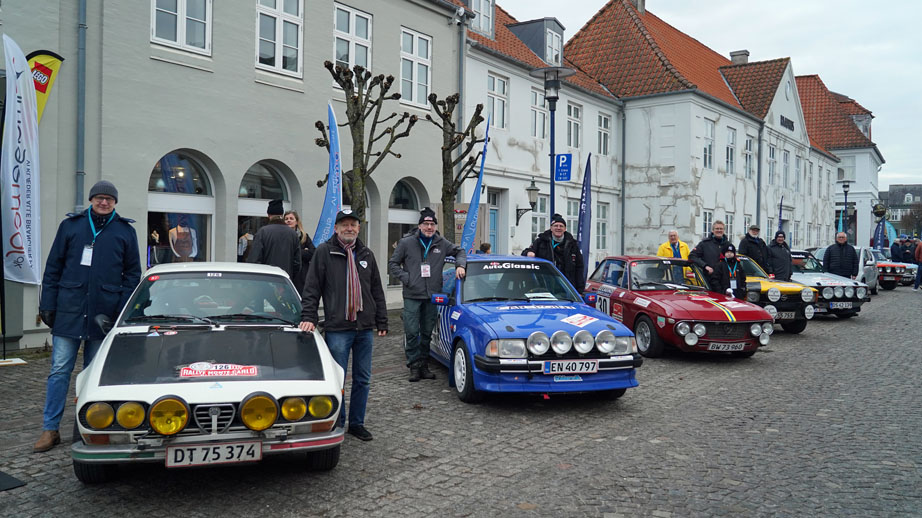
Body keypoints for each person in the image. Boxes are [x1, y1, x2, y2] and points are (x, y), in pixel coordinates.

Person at [34, 180, 141, 453]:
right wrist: (47, 304)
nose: (104, 202)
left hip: (103, 314)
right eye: (99, 198)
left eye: (109, 199)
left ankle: (87, 427)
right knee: (59, 370)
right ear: (92, 200)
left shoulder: (125, 232)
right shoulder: (71, 226)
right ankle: (50, 429)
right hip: (69, 310)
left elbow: (132, 275)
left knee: (94, 375)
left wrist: (120, 311)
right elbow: (53, 267)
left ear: (115, 202)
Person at [299, 210, 388, 441]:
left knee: (363, 379)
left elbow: (376, 290)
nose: (349, 228)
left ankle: (357, 424)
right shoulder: (324, 252)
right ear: (336, 228)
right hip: (338, 328)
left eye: (353, 225)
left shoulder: (366, 253)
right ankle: (337, 421)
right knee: (337, 379)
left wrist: (382, 320)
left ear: (358, 228)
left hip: (364, 328)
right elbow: (312, 288)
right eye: (344, 224)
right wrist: (308, 316)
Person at [388, 207, 467, 382]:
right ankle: (414, 366)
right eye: (426, 224)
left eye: (432, 224)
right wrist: (407, 278)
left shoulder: (441, 243)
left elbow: (460, 251)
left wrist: (460, 265)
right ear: (420, 225)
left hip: (432, 295)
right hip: (412, 294)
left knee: (426, 332)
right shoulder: (406, 242)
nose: (429, 227)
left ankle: (423, 365)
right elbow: (393, 264)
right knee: (411, 331)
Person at [522, 213, 585, 293]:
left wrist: (580, 290)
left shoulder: (573, 244)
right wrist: (529, 253)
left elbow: (579, 267)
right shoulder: (541, 241)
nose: (558, 228)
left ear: (565, 229)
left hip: (566, 287)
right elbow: (525, 253)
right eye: (556, 226)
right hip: (544, 286)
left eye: (561, 226)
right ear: (551, 228)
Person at [248, 199, 301, 280]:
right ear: (282, 215)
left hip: (266, 280)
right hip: (285, 280)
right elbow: (297, 263)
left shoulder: (262, 232)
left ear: (269, 215)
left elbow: (254, 259)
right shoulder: (293, 234)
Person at [283, 210, 316, 294]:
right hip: (285, 272)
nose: (288, 220)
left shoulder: (304, 236)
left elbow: (313, 253)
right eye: (286, 219)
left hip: (301, 276)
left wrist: (296, 252)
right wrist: (303, 251)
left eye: (291, 218)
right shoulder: (280, 236)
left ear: (296, 221)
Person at [689, 220, 728, 287]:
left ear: (724, 230)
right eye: (717, 229)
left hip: (725, 280)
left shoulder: (728, 245)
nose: (719, 230)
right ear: (712, 230)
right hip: (709, 280)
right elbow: (692, 256)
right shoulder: (704, 244)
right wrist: (705, 266)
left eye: (721, 229)